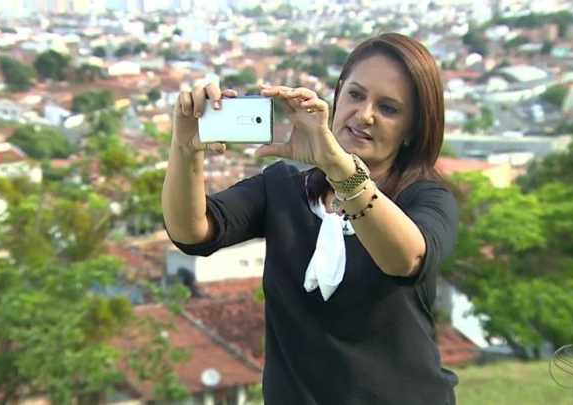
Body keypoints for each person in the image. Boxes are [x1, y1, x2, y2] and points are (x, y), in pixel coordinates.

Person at [162, 33, 459, 405]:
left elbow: (405, 257)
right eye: (355, 95)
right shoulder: (284, 188)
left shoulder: (425, 198)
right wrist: (185, 146)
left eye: (388, 108)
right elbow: (192, 232)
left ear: (412, 129)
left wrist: (338, 166)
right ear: (337, 95)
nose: (364, 114)